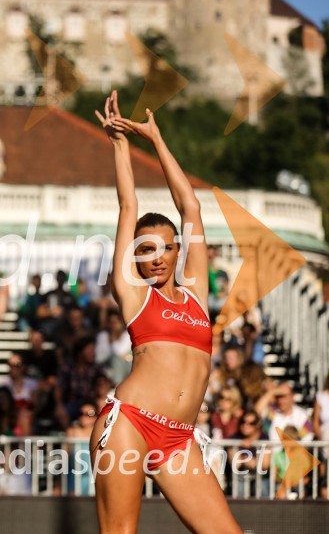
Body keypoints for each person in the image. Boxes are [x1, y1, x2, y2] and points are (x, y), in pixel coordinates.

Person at [90, 92, 241, 533]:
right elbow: (128, 206)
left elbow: (191, 207)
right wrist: (120, 146)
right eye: (145, 250)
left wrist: (156, 139)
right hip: (129, 424)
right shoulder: (135, 296)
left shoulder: (195, 292)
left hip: (178, 438)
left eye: (166, 248)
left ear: (179, 251)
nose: (156, 258)